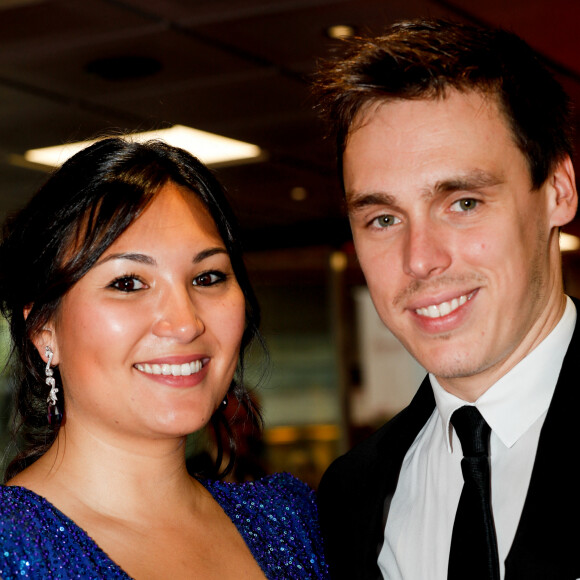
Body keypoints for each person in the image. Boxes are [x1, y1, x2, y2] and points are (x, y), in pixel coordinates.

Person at [313, 18, 580, 580]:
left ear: (557, 191)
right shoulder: (349, 498)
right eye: (383, 218)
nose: (419, 258)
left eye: (462, 203)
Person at [0, 138, 328, 579]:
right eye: (129, 283)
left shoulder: (293, 522)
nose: (185, 322)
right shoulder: (12, 547)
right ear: (43, 328)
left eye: (208, 277)